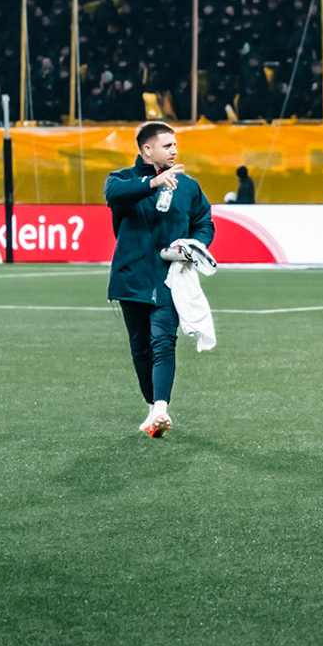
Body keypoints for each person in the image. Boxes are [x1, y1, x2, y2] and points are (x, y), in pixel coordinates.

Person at [104, 122, 214, 436]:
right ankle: (153, 408)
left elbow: (204, 222)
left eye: (175, 145)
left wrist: (194, 246)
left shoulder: (188, 186)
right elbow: (114, 196)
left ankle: (162, 408)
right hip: (131, 278)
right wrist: (153, 183)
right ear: (147, 149)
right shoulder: (122, 179)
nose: (174, 151)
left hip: (170, 279)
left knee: (164, 342)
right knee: (140, 348)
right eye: (167, 146)